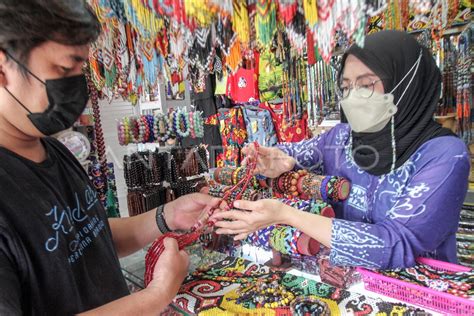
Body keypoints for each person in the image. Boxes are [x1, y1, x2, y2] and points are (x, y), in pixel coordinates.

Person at [0, 1, 218, 314]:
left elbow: (86, 239)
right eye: (64, 69)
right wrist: (155, 296)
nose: (79, 85)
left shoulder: (51, 150)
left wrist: (166, 215)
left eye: (80, 70)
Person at [212, 30, 470, 270]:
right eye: (346, 87)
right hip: (346, 286)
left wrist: (288, 215)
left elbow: (395, 245)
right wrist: (276, 159)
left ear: (404, 84)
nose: (352, 97)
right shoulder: (344, 137)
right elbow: (297, 154)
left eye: (366, 85)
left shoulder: (444, 155)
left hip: (417, 296)